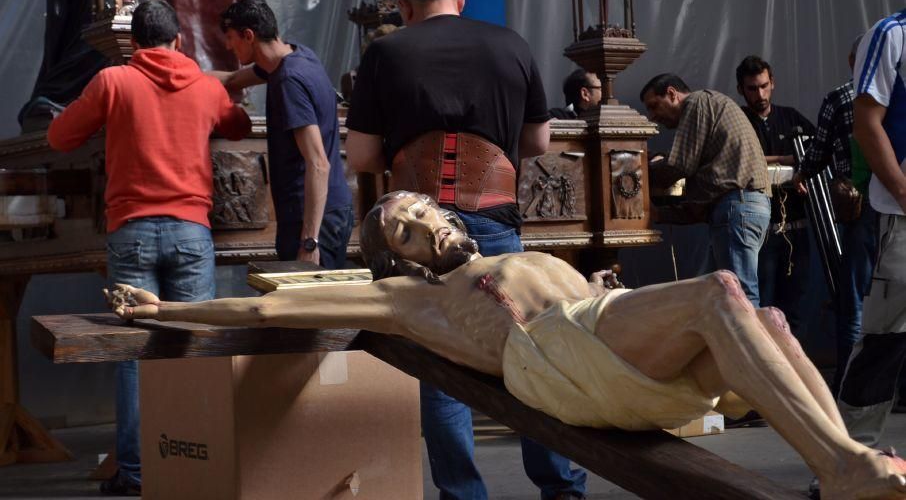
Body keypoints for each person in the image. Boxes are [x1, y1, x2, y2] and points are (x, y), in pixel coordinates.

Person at [108, 191, 906, 500]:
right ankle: (840, 465)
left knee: (767, 321)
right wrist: (166, 308)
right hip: (558, 360)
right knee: (724, 291)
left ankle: (836, 465)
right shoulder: (404, 298)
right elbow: (269, 315)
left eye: (421, 208)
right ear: (399, 257)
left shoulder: (506, 251)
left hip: (610, 337)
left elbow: (600, 303)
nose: (423, 223)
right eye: (403, 231)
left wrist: (596, 288)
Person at [345, 0, 586, 500]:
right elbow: (539, 144)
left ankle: (462, 495)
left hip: (419, 234)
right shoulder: (512, 45)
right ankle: (562, 489)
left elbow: (361, 155)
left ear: (404, 7)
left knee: (441, 367)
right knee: (531, 354)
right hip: (495, 221)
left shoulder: (384, 52)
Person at [47, 0, 252, 496]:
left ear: (133, 43)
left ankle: (138, 474)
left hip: (132, 232)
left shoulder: (114, 82)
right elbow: (240, 127)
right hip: (190, 231)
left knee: (136, 351)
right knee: (195, 346)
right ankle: (200, 462)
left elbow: (58, 137)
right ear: (178, 40)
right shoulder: (203, 86)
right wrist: (223, 88)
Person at [212, 0, 354, 268]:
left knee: (310, 306)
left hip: (313, 217)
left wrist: (309, 242)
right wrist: (180, 73)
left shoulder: (289, 80)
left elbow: (318, 164)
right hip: (326, 209)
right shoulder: (298, 56)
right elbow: (231, 79)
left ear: (249, 35)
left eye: (231, 38)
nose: (228, 46)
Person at [836, 0, 906, 450]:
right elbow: (866, 123)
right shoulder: (890, 35)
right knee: (886, 339)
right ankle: (852, 456)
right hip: (901, 221)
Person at [793, 36, 879, 395]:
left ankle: (849, 383)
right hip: (898, 204)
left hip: (861, 207)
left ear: (850, 61)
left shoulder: (840, 98)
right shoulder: (894, 93)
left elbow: (818, 154)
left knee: (855, 298)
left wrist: (800, 176)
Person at [642, 73, 771, 308]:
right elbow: (702, 193)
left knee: (739, 298)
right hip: (743, 207)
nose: (653, 116)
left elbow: (680, 165)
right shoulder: (712, 104)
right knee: (714, 298)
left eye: (654, 106)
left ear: (672, 93)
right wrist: (660, 214)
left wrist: (638, 171)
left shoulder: (696, 102)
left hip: (736, 208)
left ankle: (749, 345)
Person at [735, 55, 816, 336]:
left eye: (764, 86)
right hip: (761, 233)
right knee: (760, 307)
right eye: (752, 89)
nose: (760, 94)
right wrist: (787, 160)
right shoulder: (739, 121)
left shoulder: (790, 117)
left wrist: (780, 163)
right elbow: (739, 161)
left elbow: (816, 154)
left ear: (773, 84)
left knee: (794, 307)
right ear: (741, 90)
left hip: (796, 229)